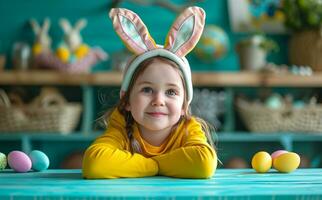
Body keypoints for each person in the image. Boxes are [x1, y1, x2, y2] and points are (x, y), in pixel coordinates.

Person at [82, 6, 217, 179]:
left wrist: (153, 164)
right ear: (127, 101)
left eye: (171, 92)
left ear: (184, 105)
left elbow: (204, 164)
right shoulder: (122, 125)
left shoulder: (188, 128)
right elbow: (95, 164)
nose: (158, 100)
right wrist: (153, 166)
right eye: (147, 89)